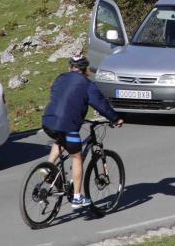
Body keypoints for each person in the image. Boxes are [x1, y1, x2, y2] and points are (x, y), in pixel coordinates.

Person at [41, 55, 123, 209]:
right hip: (68, 125)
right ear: (86, 70)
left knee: (60, 140)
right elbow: (100, 104)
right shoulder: (87, 84)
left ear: (70, 67)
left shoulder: (60, 78)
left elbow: (59, 95)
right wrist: (115, 118)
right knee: (77, 157)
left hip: (48, 122)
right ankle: (77, 198)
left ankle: (48, 167)